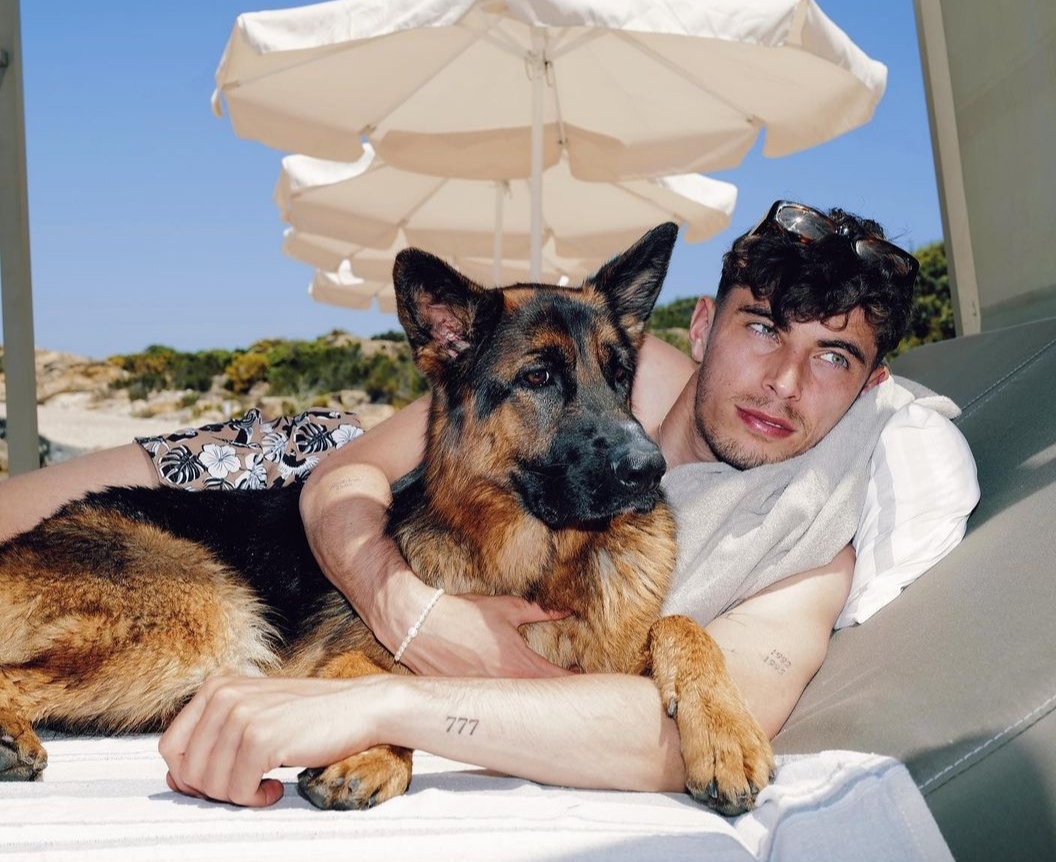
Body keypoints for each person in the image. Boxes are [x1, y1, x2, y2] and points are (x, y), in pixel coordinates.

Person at [0, 201, 979, 808]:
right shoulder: (606, 351)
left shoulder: (811, 535)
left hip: (304, 516)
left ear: (870, 385)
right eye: (763, 329)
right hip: (280, 466)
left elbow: (692, 722)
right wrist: (405, 607)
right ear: (701, 324)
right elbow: (341, 476)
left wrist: (400, 708)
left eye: (833, 356)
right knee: (156, 616)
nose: (782, 383)